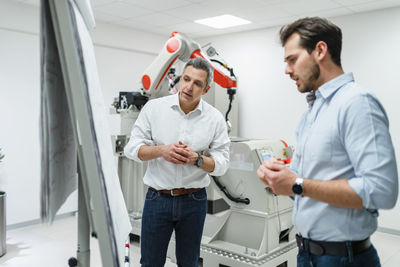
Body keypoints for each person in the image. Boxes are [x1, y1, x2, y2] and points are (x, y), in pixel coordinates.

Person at [257, 17, 398, 267]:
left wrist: (297, 184)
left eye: (292, 59)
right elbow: (310, 181)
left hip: (343, 259)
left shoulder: (356, 103)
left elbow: (382, 191)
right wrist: (284, 179)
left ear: (320, 50)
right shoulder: (313, 112)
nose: (287, 70)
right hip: (308, 254)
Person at [124, 57, 230, 267]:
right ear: (180, 79)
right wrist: (161, 150)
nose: (189, 87)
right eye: (186, 79)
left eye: (197, 83)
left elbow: (222, 163)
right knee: (150, 263)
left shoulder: (215, 118)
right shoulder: (154, 109)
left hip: (194, 201)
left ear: (206, 89)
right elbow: (132, 149)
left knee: (189, 263)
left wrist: (197, 159)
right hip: (157, 199)